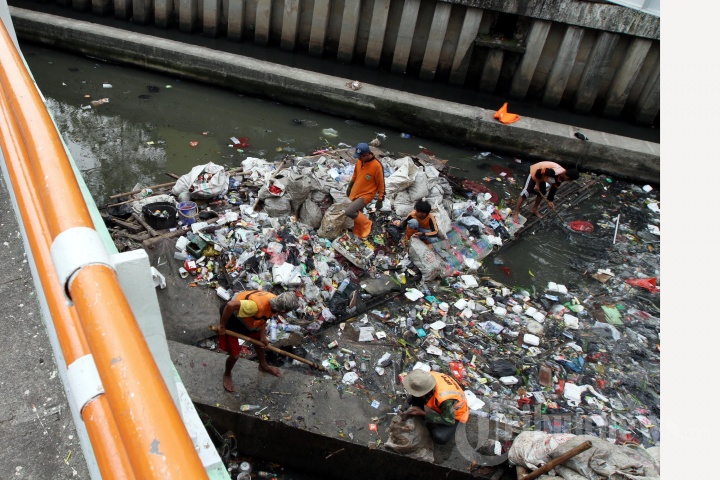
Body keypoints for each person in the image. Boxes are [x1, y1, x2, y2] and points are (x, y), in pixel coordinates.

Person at [218, 290, 299, 392]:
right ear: (283, 310)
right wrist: (222, 325)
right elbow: (230, 305)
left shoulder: (275, 302)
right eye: (286, 311)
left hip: (248, 319)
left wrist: (263, 335)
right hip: (232, 318)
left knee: (260, 343)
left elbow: (264, 316)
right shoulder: (254, 306)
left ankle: (263, 365)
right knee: (234, 356)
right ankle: (227, 374)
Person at [401, 369, 469, 445]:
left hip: (456, 415)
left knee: (439, 436)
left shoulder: (445, 399)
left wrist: (424, 414)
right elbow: (417, 388)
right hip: (446, 402)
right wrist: (408, 401)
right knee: (417, 398)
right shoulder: (428, 377)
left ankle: (429, 423)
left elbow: (449, 420)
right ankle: (420, 414)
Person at [513, 161, 579, 222]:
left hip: (541, 177)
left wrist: (550, 201)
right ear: (568, 178)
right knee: (525, 193)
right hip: (533, 173)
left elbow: (554, 187)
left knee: (542, 192)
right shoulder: (554, 172)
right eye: (570, 180)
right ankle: (516, 213)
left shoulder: (562, 177)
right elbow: (538, 172)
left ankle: (534, 209)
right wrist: (537, 184)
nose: (569, 181)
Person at [345, 143, 385, 239]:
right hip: (357, 192)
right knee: (358, 213)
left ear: (367, 155)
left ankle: (368, 224)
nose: (358, 158)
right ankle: (359, 233)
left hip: (367, 195)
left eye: (360, 156)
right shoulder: (360, 161)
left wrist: (380, 199)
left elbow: (381, 184)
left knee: (349, 211)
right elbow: (355, 174)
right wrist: (350, 187)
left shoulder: (377, 166)